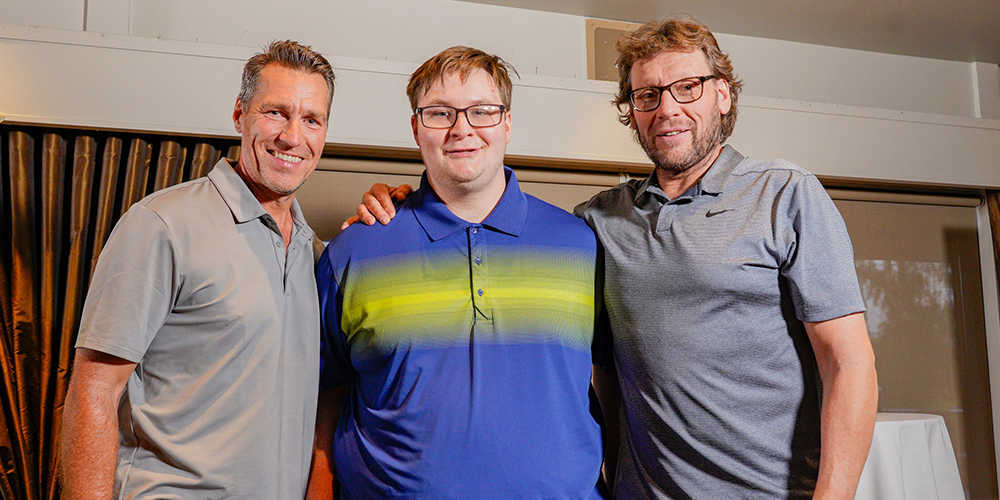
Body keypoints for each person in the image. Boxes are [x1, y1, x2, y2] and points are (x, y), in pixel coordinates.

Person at [351, 17, 878, 499]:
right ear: (632, 111)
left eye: (686, 87)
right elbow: (602, 366)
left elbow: (847, 362)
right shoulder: (597, 223)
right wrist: (402, 201)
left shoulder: (785, 195)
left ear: (723, 95)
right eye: (647, 94)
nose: (667, 108)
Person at [306, 46, 609, 499]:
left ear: (507, 122)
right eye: (440, 113)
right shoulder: (354, 251)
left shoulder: (582, 244)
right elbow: (322, 393)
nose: (461, 129)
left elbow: (619, 381)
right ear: (415, 128)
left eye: (482, 111)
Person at [59, 40, 335, 499]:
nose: (292, 136)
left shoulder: (319, 257)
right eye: (275, 113)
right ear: (239, 114)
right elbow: (95, 392)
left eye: (311, 120)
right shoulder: (162, 225)